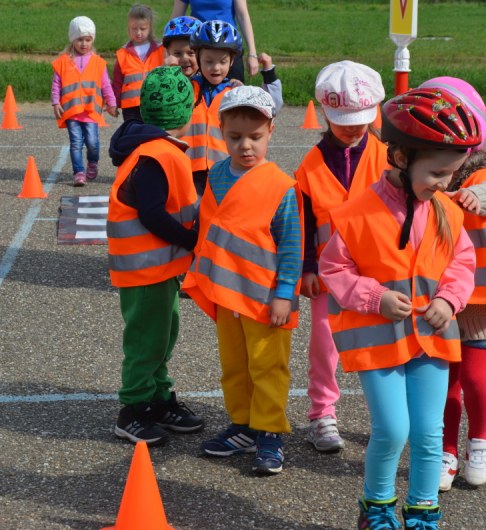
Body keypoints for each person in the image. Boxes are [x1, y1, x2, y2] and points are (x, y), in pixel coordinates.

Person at [319, 87, 479, 529]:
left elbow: (462, 263)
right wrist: (375, 297)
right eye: (437, 173)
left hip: (432, 338)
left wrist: (449, 299)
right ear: (403, 158)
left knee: (429, 434)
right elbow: (334, 268)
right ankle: (376, 509)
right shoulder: (356, 213)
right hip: (378, 340)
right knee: (392, 430)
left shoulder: (446, 211)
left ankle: (423, 512)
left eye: (451, 174)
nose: (444, 183)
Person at [182, 86, 302, 476]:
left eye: (255, 136)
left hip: (265, 297)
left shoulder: (281, 186)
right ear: (221, 132)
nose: (245, 145)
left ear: (271, 132)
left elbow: (291, 245)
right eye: (235, 137)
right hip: (227, 293)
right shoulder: (217, 175)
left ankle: (270, 432)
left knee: (268, 366)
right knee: (234, 364)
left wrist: (285, 294)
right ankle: (243, 424)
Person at [416, 78, 486, 493]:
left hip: (483, 301)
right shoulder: (423, 170)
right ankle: (446, 450)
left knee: (474, 378)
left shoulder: (481, 170)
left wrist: (478, 199)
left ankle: (480, 441)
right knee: (446, 382)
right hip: (442, 297)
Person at [106, 66, 204, 446]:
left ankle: (160, 399)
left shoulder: (156, 150)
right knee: (146, 341)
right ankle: (133, 409)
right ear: (185, 112)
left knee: (163, 336)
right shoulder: (157, 155)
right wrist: (191, 239)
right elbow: (151, 214)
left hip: (158, 269)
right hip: (145, 271)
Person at [295, 60, 387, 454]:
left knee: (381, 347)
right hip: (328, 276)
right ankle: (322, 414)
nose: (352, 128)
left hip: (378, 273)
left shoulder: (388, 158)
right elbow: (302, 222)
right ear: (326, 113)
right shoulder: (310, 167)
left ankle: (385, 418)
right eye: (343, 121)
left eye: (360, 121)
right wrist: (307, 267)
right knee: (324, 345)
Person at [183, 19, 283, 197]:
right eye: (208, 61)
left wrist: (269, 73)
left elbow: (271, 106)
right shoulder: (185, 88)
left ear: (231, 61)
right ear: (198, 58)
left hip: (225, 172)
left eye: (222, 61)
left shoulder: (234, 93)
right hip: (189, 172)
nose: (215, 67)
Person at [51, 16, 118, 186]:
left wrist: (111, 103)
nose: (84, 43)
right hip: (72, 111)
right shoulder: (63, 62)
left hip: (90, 111)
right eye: (80, 39)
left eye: (88, 40)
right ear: (73, 39)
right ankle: (79, 172)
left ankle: (92, 162)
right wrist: (56, 102)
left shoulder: (98, 62)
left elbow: (106, 85)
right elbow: (56, 84)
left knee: (92, 143)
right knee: (76, 143)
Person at [171, 0, 258, 82]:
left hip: (228, 46)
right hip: (202, 47)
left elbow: (242, 15)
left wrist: (252, 54)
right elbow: (176, 19)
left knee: (235, 87)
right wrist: (168, 51)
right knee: (197, 88)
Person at [112, 4, 166, 123]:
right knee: (133, 133)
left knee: (153, 132)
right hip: (131, 107)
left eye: (142, 28)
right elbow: (117, 82)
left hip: (155, 103)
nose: (138, 32)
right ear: (128, 28)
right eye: (134, 28)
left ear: (150, 28)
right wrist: (113, 103)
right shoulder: (122, 53)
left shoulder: (161, 50)